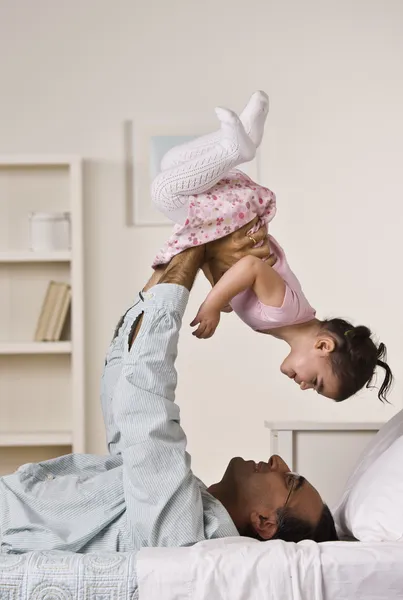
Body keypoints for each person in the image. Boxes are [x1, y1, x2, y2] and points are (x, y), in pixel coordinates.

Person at [0, 229, 337, 555]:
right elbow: (124, 393)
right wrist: (181, 254)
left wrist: (198, 245)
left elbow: (143, 402)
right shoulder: (186, 506)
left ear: (264, 522)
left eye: (290, 481)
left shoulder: (182, 534)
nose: (279, 461)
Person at [151, 91, 393, 402]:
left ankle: (245, 136)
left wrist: (223, 295)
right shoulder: (285, 313)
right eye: (317, 382)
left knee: (172, 163)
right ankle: (235, 148)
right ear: (323, 346)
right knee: (165, 192)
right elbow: (251, 267)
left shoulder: (284, 320)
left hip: (228, 228)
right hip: (232, 225)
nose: (305, 386)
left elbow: (239, 277)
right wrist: (213, 305)